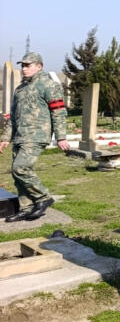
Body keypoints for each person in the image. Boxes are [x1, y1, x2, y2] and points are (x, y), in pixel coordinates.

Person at [0, 53, 69, 222]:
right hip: (21, 136)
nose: (24, 68)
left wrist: (61, 137)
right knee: (17, 175)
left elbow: (58, 112)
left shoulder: (48, 85)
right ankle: (26, 207)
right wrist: (5, 138)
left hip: (37, 135)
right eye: (23, 65)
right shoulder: (20, 89)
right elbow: (14, 117)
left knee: (20, 168)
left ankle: (43, 197)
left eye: (28, 65)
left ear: (39, 66)